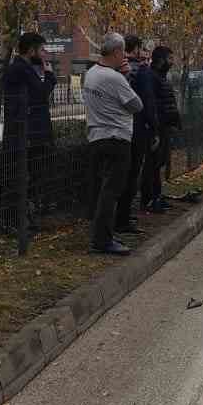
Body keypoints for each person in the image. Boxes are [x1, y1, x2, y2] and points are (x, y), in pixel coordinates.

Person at [83, 32, 143, 255]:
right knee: (112, 191)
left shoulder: (90, 74)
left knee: (101, 190)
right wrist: (126, 77)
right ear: (117, 52)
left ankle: (102, 234)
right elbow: (136, 105)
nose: (125, 57)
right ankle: (102, 241)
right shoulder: (115, 78)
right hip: (117, 139)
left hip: (96, 137)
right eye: (123, 52)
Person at [2, 32, 58, 232]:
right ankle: (14, 222)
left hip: (29, 134)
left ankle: (25, 219)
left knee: (32, 177)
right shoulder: (20, 69)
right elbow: (41, 94)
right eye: (42, 50)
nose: (44, 54)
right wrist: (50, 75)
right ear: (31, 50)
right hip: (23, 134)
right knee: (18, 179)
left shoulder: (25, 69)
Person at [115, 35, 159, 234]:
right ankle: (123, 218)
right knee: (132, 174)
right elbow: (147, 101)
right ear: (137, 49)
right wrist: (154, 127)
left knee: (117, 174)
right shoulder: (142, 71)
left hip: (116, 126)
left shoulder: (115, 70)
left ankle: (117, 215)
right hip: (137, 127)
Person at [143, 46, 182, 213]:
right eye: (170, 59)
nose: (172, 62)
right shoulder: (151, 77)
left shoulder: (161, 77)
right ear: (160, 60)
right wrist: (155, 129)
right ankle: (149, 199)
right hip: (157, 129)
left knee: (158, 164)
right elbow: (152, 104)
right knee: (152, 165)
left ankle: (156, 197)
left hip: (164, 127)